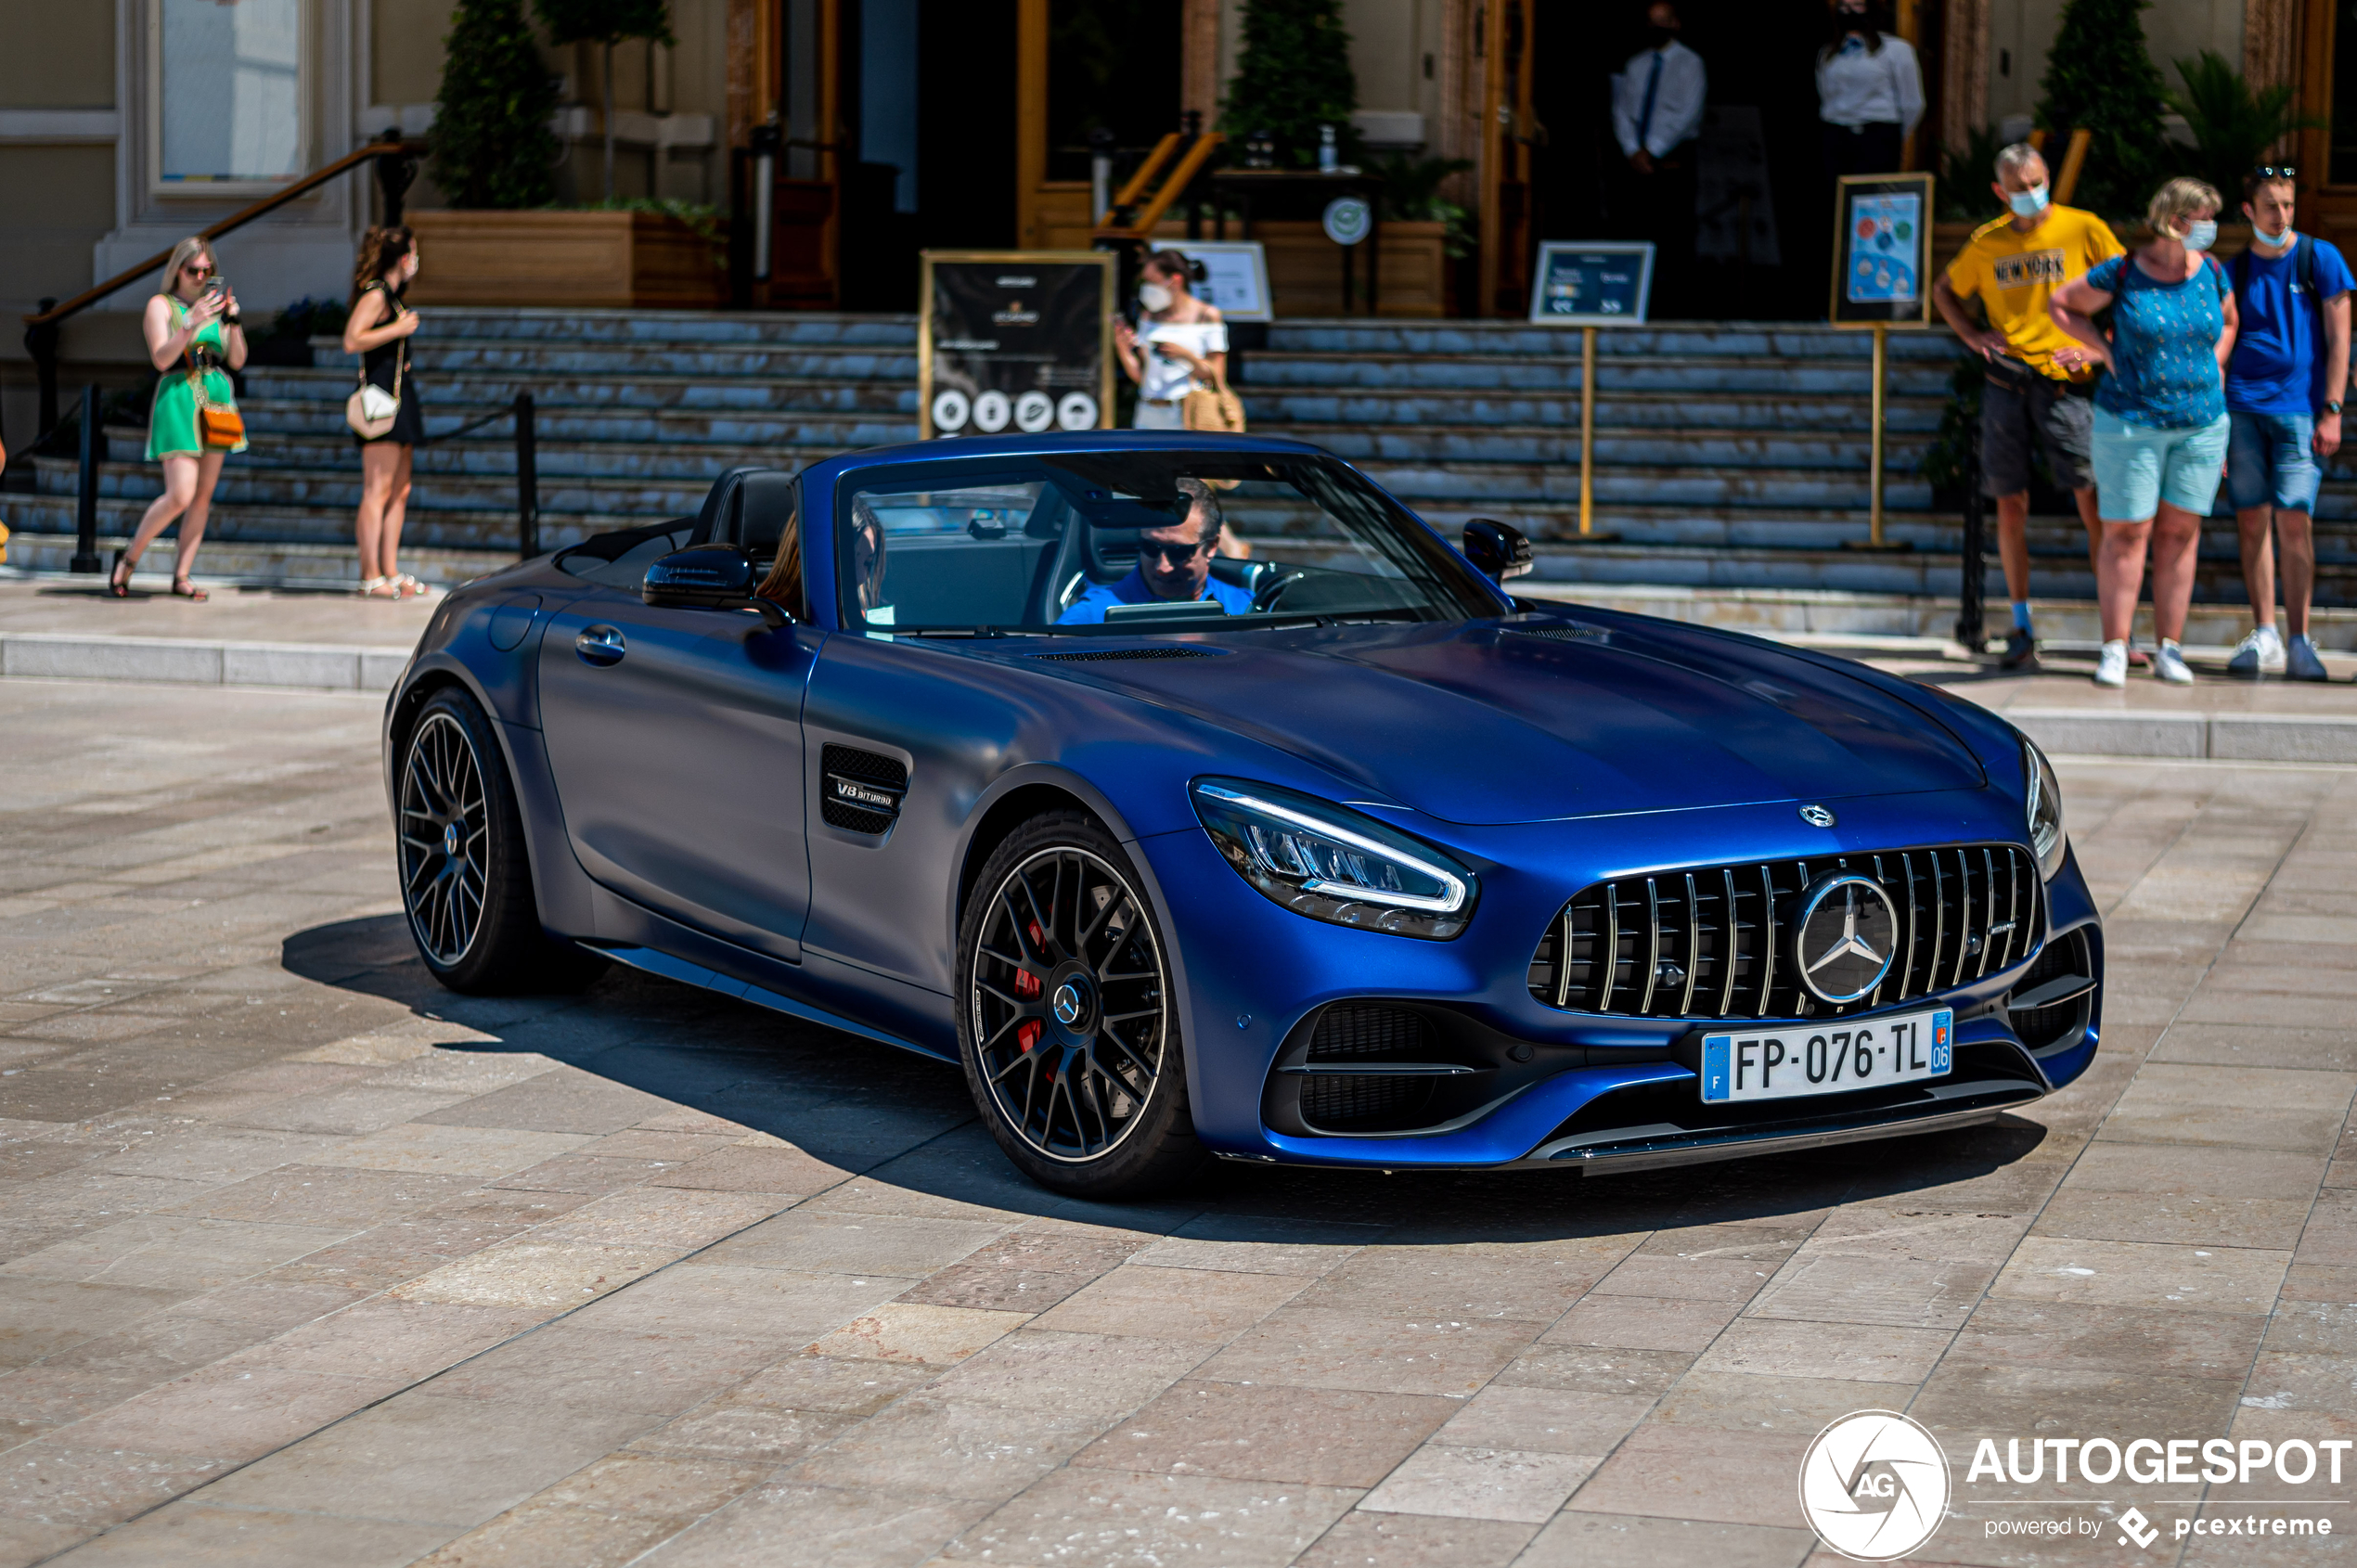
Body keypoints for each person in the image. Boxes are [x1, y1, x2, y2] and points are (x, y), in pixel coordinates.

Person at [1932, 142, 2124, 670]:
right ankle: (2021, 625)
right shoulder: (1986, 242)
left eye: (2038, 181)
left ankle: (2118, 631)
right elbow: (1944, 288)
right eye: (2019, 187)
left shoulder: (2083, 227)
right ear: (2000, 191)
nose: (2031, 194)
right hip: (2006, 380)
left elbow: (2128, 289)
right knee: (2009, 502)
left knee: (2091, 498)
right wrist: (1972, 335)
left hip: (2066, 384)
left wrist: (2095, 348)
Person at [2050, 177, 2238, 688]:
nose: (2210, 228)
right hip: (2130, 422)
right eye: (2202, 217)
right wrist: (2104, 351)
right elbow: (2062, 303)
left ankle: (2170, 649)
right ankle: (2115, 645)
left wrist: (2214, 368)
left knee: (2180, 536)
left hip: (2201, 424)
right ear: (2174, 220)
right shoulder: (2126, 271)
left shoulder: (2213, 271)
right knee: (2126, 533)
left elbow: (2229, 321)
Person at [2221, 166, 2351, 681]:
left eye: (2289, 204)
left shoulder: (2320, 258)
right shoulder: (2233, 270)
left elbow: (2342, 338)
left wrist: (2334, 409)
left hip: (2301, 411)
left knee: (2295, 520)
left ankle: (2299, 638)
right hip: (2242, 410)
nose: (2283, 215)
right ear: (2249, 209)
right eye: (2272, 205)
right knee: (2251, 520)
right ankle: (2266, 633)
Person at [110, 237, 247, 599]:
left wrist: (232, 321)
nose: (200, 277)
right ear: (177, 270)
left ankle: (182, 575)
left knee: (203, 496)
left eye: (207, 270)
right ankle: (129, 558)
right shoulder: (161, 305)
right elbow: (161, 358)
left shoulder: (216, 308)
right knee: (181, 494)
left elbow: (237, 360)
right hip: (179, 395)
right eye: (193, 270)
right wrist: (189, 323)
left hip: (215, 397)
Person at [342, 225, 431, 598]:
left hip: (399, 395)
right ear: (402, 257)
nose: (417, 261)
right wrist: (397, 329)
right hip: (379, 399)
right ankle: (370, 574)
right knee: (377, 490)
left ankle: (390, 570)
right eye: (413, 252)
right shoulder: (377, 293)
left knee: (400, 489)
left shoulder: (393, 296)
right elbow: (352, 339)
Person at [1610, 1, 1706, 315]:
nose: (1657, 27)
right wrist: (1631, 149)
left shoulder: (1690, 63)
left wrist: (1652, 149)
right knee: (1635, 229)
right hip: (1635, 159)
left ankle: (1676, 309)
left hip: (1672, 157)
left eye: (1663, 21)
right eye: (1652, 21)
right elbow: (1621, 109)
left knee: (1674, 233)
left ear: (1676, 23)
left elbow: (1687, 114)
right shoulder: (1635, 65)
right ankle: (1632, 302)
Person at [1058, 479, 1256, 623]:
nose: (1163, 567)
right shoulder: (1091, 616)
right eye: (1150, 547)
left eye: (1179, 552)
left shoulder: (1245, 608)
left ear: (1212, 546)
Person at [1114, 251, 1227, 432]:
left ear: (1174, 280)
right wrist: (1123, 350)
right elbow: (1143, 377)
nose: (1147, 288)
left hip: (1187, 412)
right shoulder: (1148, 316)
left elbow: (1217, 375)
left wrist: (1186, 356)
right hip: (1147, 411)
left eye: (1152, 281)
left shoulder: (1206, 315)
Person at [1816, 0, 1923, 181]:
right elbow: (1825, 93)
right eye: (1844, 6)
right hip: (1837, 136)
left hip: (1877, 136)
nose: (1850, 12)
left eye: (1858, 5)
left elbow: (1913, 102)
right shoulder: (1828, 52)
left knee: (1871, 199)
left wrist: (1897, 135)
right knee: (1836, 198)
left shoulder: (1897, 50)